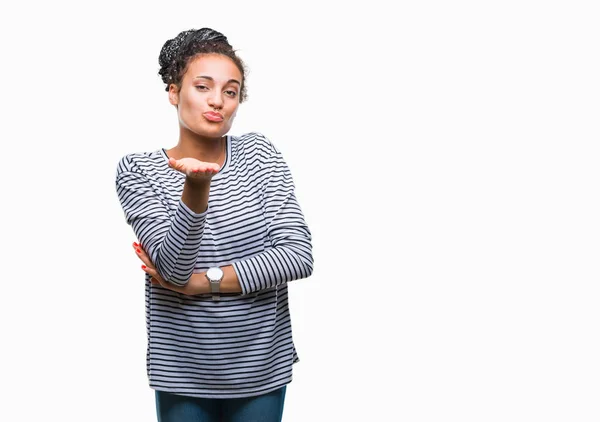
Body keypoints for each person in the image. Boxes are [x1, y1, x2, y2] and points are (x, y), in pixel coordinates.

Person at [115, 27, 314, 422]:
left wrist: (201, 282)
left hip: (261, 365)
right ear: (174, 92)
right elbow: (172, 268)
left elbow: (298, 255)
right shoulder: (139, 169)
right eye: (203, 87)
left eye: (230, 91)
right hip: (183, 370)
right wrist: (196, 187)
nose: (217, 101)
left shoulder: (258, 153)